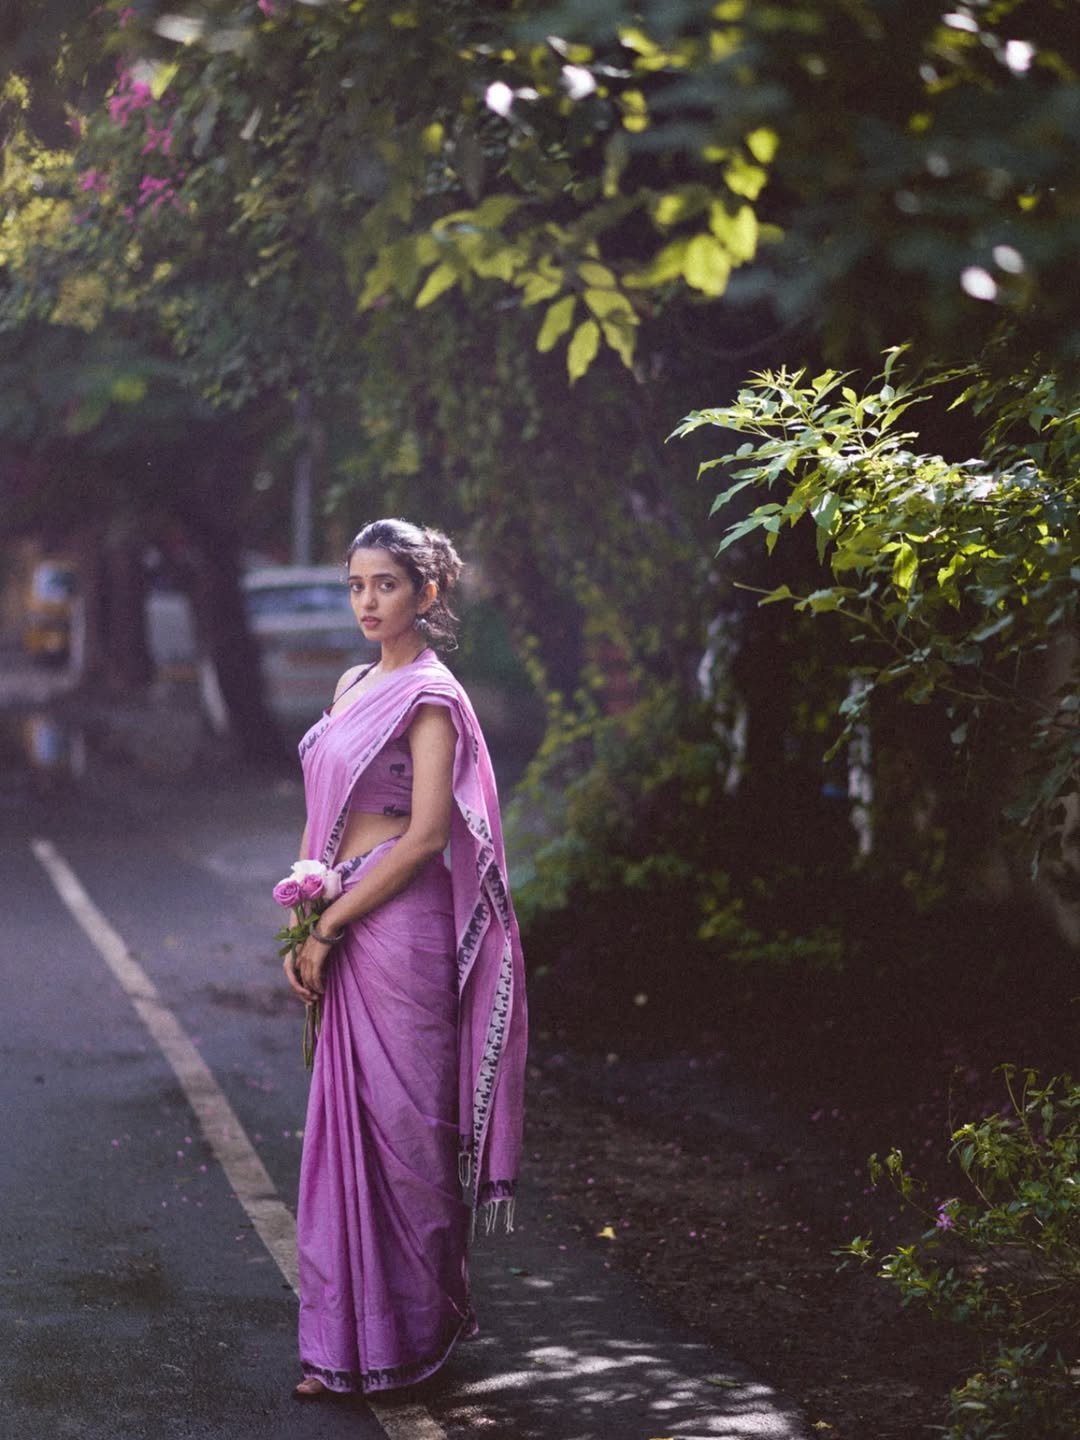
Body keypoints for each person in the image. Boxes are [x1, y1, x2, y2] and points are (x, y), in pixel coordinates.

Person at [282, 518, 527, 1400]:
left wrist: (331, 925)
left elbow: (425, 837)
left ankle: (413, 1337)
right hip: (339, 912)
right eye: (356, 585)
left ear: (427, 593)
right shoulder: (353, 683)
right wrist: (305, 912)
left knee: (405, 1136)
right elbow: (322, 809)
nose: (367, 602)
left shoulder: (432, 696)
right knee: (339, 1140)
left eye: (385, 584)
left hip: (399, 926)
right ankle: (339, 1346)